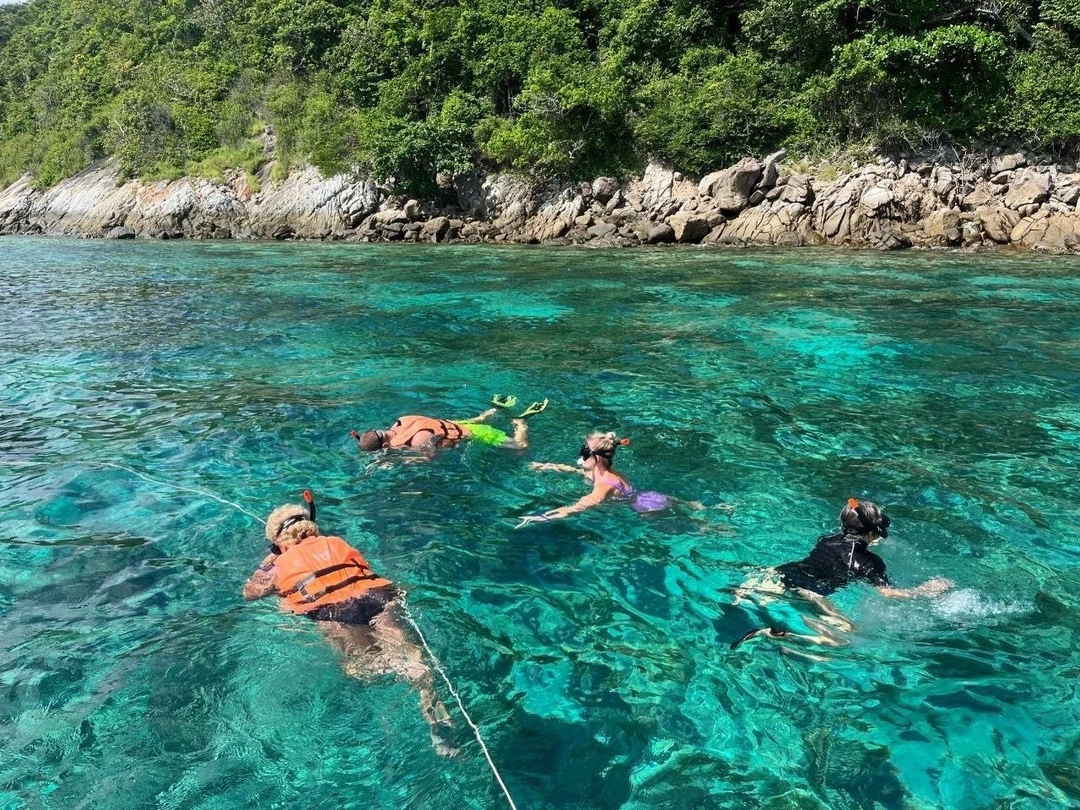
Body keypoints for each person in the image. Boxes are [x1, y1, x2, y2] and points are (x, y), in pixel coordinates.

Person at [242, 491, 457, 756]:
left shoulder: (278, 564)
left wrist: (266, 565)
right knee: (408, 653)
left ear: (277, 543)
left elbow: (250, 594)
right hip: (379, 597)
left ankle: (390, 672)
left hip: (335, 612)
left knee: (362, 669)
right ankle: (429, 699)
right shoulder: (336, 542)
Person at [731, 498, 953, 649]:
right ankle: (780, 637)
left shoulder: (826, 540)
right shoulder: (870, 563)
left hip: (780, 575)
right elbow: (888, 594)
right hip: (811, 593)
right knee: (846, 639)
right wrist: (925, 590)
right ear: (875, 532)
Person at [517, 431, 676, 527]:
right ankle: (690, 506)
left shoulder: (603, 487)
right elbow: (579, 471)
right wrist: (548, 466)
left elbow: (575, 509)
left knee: (691, 528)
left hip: (648, 509)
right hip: (654, 497)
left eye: (585, 453)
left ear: (597, 459)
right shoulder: (605, 473)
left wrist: (538, 518)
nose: (581, 456)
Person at [352, 395, 548, 453]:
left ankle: (521, 423)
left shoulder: (415, 441)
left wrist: (407, 459)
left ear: (385, 446)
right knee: (475, 420)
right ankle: (492, 410)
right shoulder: (401, 420)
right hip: (450, 423)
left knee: (520, 447)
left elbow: (432, 456)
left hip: (471, 432)